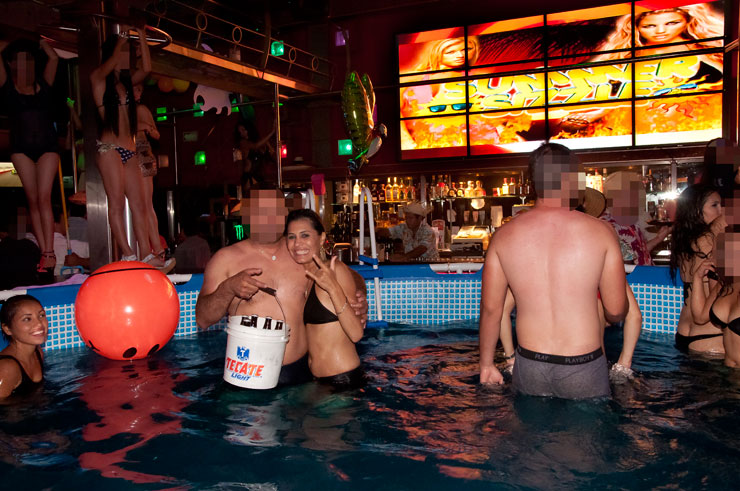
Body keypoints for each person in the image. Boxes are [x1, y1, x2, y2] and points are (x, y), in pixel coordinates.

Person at [479, 143, 628, 399]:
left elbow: (491, 309)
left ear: (534, 182)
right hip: (583, 364)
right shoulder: (601, 232)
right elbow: (615, 312)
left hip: (530, 364)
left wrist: (486, 364)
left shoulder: (503, 236)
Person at [195, 189, 368, 386]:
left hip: (302, 376)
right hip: (248, 375)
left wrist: (358, 297)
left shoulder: (298, 251)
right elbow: (202, 319)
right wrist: (228, 289)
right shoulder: (225, 259)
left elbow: (345, 273)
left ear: (284, 215)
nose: (267, 219)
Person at [90, 27, 173, 272]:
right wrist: (120, 44)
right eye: (123, 53)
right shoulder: (98, 80)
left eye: (128, 53)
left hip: (130, 150)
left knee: (140, 205)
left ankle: (146, 254)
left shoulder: (127, 83)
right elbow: (110, 64)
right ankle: (128, 253)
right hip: (110, 149)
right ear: (113, 53)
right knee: (116, 203)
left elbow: (146, 68)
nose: (126, 57)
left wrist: (143, 38)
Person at [285, 209, 364, 388]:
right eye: (291, 237)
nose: (297, 243)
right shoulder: (306, 277)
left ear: (321, 238)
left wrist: (333, 288)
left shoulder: (336, 271)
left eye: (305, 235)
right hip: (318, 380)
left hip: (342, 380)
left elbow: (356, 333)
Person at [0, 38, 60, 273]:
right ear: (12, 64)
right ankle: (44, 252)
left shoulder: (43, 83)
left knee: (44, 198)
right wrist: (10, 42)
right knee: (33, 199)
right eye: (21, 60)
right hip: (21, 148)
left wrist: (41, 42)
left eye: (29, 60)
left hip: (47, 146)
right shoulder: (7, 85)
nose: (26, 64)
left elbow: (53, 57)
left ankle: (49, 252)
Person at [670, 183, 726, 354]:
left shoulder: (683, 241)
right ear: (696, 211)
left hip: (683, 332)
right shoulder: (709, 241)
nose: (721, 211)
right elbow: (718, 291)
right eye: (714, 205)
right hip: (710, 334)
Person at [400, 36, 479, 149]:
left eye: (465, 50)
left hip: (467, 142)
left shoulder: (475, 77)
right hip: (422, 145)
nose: (460, 55)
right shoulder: (411, 78)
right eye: (451, 52)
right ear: (437, 52)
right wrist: (407, 142)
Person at [689, 228, 740, 367]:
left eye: (717, 251)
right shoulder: (724, 284)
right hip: (728, 372)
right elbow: (700, 317)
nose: (711, 256)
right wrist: (698, 278)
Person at [133, 83, 165, 265]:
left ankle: (157, 250)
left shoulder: (140, 109)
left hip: (141, 151)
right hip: (127, 153)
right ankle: (152, 251)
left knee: (145, 204)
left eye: (140, 89)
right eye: (136, 88)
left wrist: (144, 127)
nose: (139, 93)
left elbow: (156, 134)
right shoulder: (121, 109)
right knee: (139, 204)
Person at [0, 294, 47, 399]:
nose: (39, 324)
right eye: (27, 319)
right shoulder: (6, 368)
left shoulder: (38, 352)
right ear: (7, 329)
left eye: (41, 315)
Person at [233, 122, 276, 189]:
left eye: (243, 130)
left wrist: (272, 147)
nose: (241, 133)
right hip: (250, 176)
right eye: (239, 131)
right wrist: (272, 132)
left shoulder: (256, 141)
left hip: (260, 176)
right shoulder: (243, 143)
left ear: (248, 129)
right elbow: (255, 146)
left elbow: (271, 155)